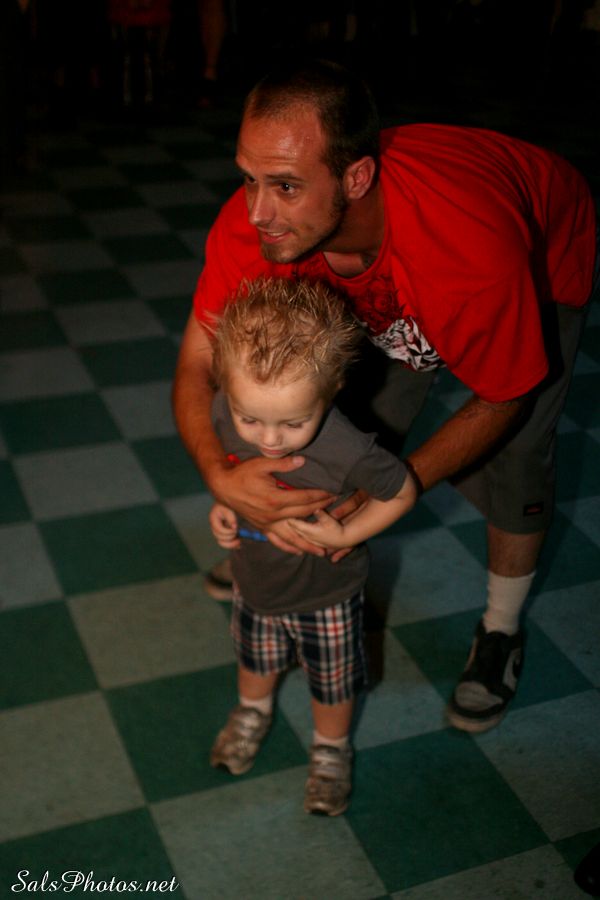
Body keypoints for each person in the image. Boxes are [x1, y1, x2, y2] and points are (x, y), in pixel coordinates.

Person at [172, 58, 597, 736]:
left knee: (518, 455)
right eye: (249, 178)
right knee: (341, 411)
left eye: (285, 185)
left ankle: (501, 630)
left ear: (356, 178)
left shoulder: (467, 251)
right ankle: (274, 541)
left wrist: (390, 494)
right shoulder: (260, 228)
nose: (258, 211)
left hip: (544, 250)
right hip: (400, 265)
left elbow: (505, 396)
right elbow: (199, 358)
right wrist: (222, 479)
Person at [206, 277, 417, 815]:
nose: (268, 439)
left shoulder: (348, 447)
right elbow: (230, 469)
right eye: (250, 418)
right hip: (255, 579)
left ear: (333, 390)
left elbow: (402, 491)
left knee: (333, 683)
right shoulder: (226, 410)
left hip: (328, 593)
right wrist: (224, 505)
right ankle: (252, 711)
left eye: (294, 422)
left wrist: (348, 533)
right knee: (255, 658)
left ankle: (330, 750)